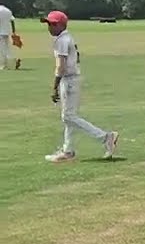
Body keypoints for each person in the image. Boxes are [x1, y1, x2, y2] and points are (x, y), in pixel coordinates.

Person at [42, 11, 119, 163]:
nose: (50, 27)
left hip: (69, 80)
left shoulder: (62, 40)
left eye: (53, 24)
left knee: (68, 116)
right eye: (49, 24)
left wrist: (54, 86)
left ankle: (105, 137)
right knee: (69, 116)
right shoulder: (66, 38)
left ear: (62, 25)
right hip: (72, 79)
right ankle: (68, 150)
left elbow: (61, 66)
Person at [0, 2, 20, 70]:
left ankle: (11, 62)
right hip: (7, 32)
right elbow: (12, 21)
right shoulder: (8, 10)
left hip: (0, 32)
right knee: (6, 48)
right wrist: (13, 31)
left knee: (3, 50)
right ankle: (8, 63)